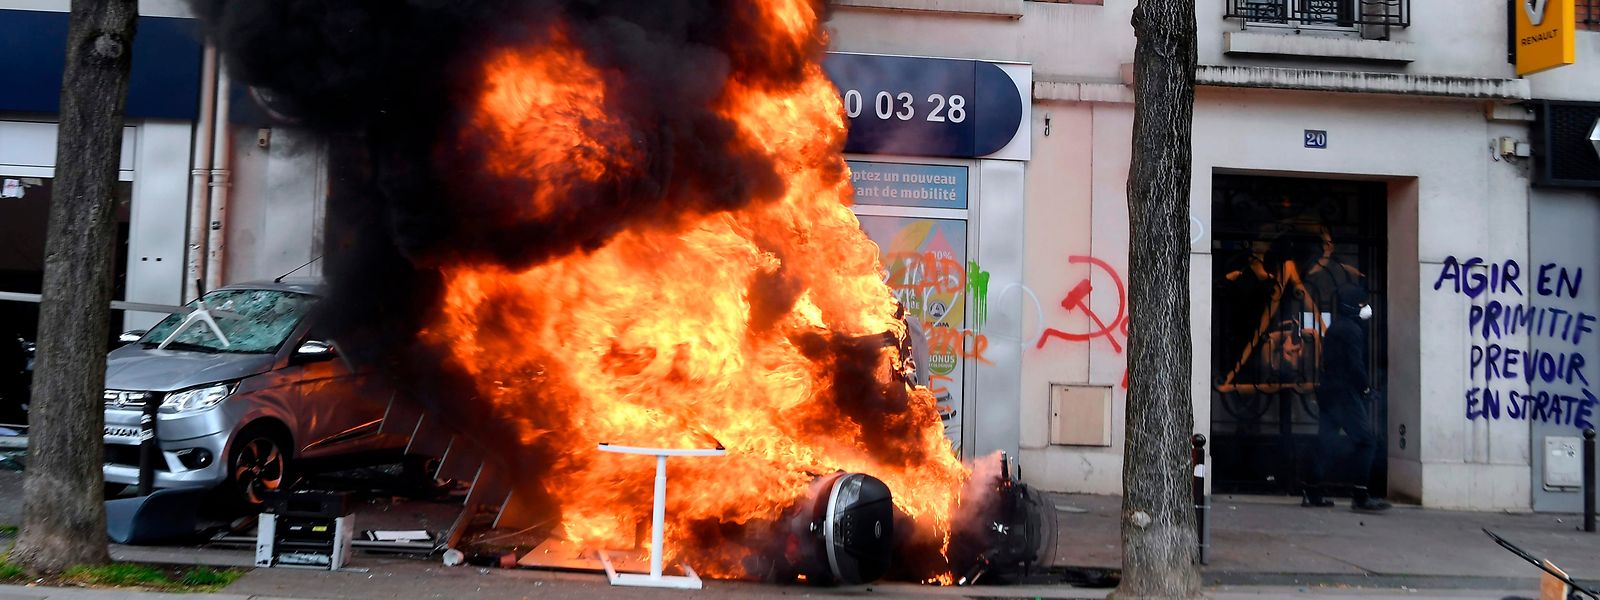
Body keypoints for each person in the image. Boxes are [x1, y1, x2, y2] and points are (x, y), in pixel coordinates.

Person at [1304, 285, 1391, 512]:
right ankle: (1361, 495)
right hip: (1344, 395)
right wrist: (1365, 389)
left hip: (1330, 392)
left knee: (1326, 441)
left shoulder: (1336, 328)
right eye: (1363, 304)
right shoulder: (1352, 330)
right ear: (1353, 307)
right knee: (1366, 442)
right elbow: (1355, 365)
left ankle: (1311, 490)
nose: (1367, 308)